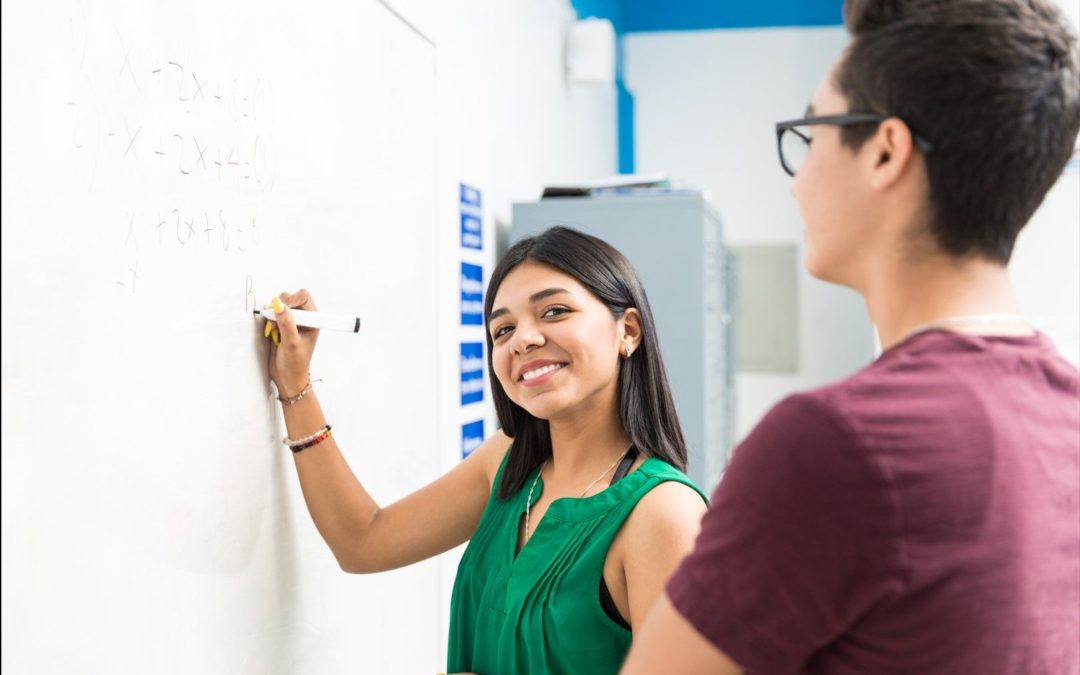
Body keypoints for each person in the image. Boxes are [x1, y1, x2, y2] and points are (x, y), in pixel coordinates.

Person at [622, 0, 1080, 673]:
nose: (799, 182)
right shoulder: (1065, 411)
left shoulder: (833, 442)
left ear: (886, 152)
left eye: (811, 133)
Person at [263, 226, 708, 674]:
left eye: (554, 311)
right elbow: (362, 542)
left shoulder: (663, 514)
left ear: (627, 331)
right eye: (503, 329)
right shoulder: (511, 463)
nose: (522, 339)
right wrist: (295, 386)